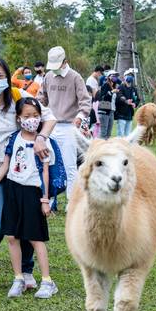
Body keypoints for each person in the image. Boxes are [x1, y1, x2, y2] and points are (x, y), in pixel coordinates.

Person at [0, 56, 56, 294]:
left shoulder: (17, 96)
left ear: (7, 77)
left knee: (26, 223)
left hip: (25, 174)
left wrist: (40, 138)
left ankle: (26, 271)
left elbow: (49, 118)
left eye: (0, 76)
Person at [0, 97, 58, 299]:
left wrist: (45, 200)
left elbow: (45, 173)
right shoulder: (14, 138)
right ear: (18, 118)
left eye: (35, 116)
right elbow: (5, 165)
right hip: (13, 191)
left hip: (32, 193)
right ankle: (18, 278)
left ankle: (47, 281)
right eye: (27, 116)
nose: (31, 120)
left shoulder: (43, 143)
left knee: (36, 238)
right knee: (11, 236)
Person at [38, 46, 92, 201]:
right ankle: (51, 200)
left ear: (65, 62)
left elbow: (85, 101)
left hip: (69, 126)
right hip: (51, 126)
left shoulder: (75, 77)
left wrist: (80, 117)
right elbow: (42, 98)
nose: (54, 70)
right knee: (49, 163)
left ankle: (72, 201)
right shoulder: (48, 76)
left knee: (69, 165)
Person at [114, 69, 139, 137]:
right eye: (127, 82)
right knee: (120, 134)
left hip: (129, 115)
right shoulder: (120, 87)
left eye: (130, 83)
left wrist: (135, 104)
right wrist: (126, 101)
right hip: (121, 114)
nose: (129, 84)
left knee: (128, 135)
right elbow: (119, 97)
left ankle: (127, 147)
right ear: (125, 79)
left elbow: (137, 99)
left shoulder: (134, 89)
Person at [95, 70, 117, 139]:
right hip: (104, 111)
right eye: (113, 76)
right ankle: (100, 147)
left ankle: (106, 148)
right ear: (109, 77)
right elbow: (102, 97)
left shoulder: (113, 86)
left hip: (111, 111)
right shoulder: (105, 85)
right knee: (103, 132)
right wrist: (111, 92)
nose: (115, 77)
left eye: (116, 76)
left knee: (108, 133)